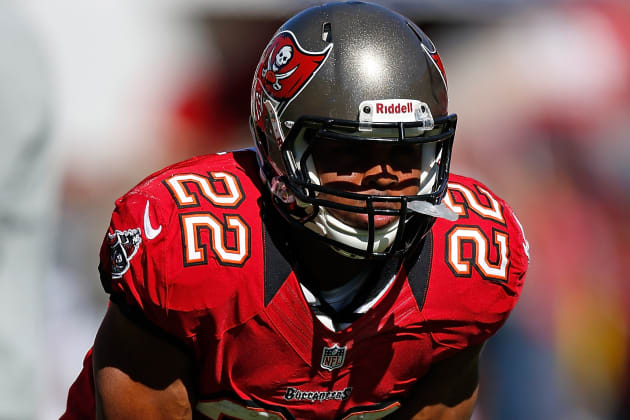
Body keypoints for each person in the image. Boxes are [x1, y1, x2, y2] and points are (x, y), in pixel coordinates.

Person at [61, 2, 529, 419]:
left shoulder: (467, 265)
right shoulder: (189, 247)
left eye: (406, 153)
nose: (383, 176)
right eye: (348, 153)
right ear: (276, 143)